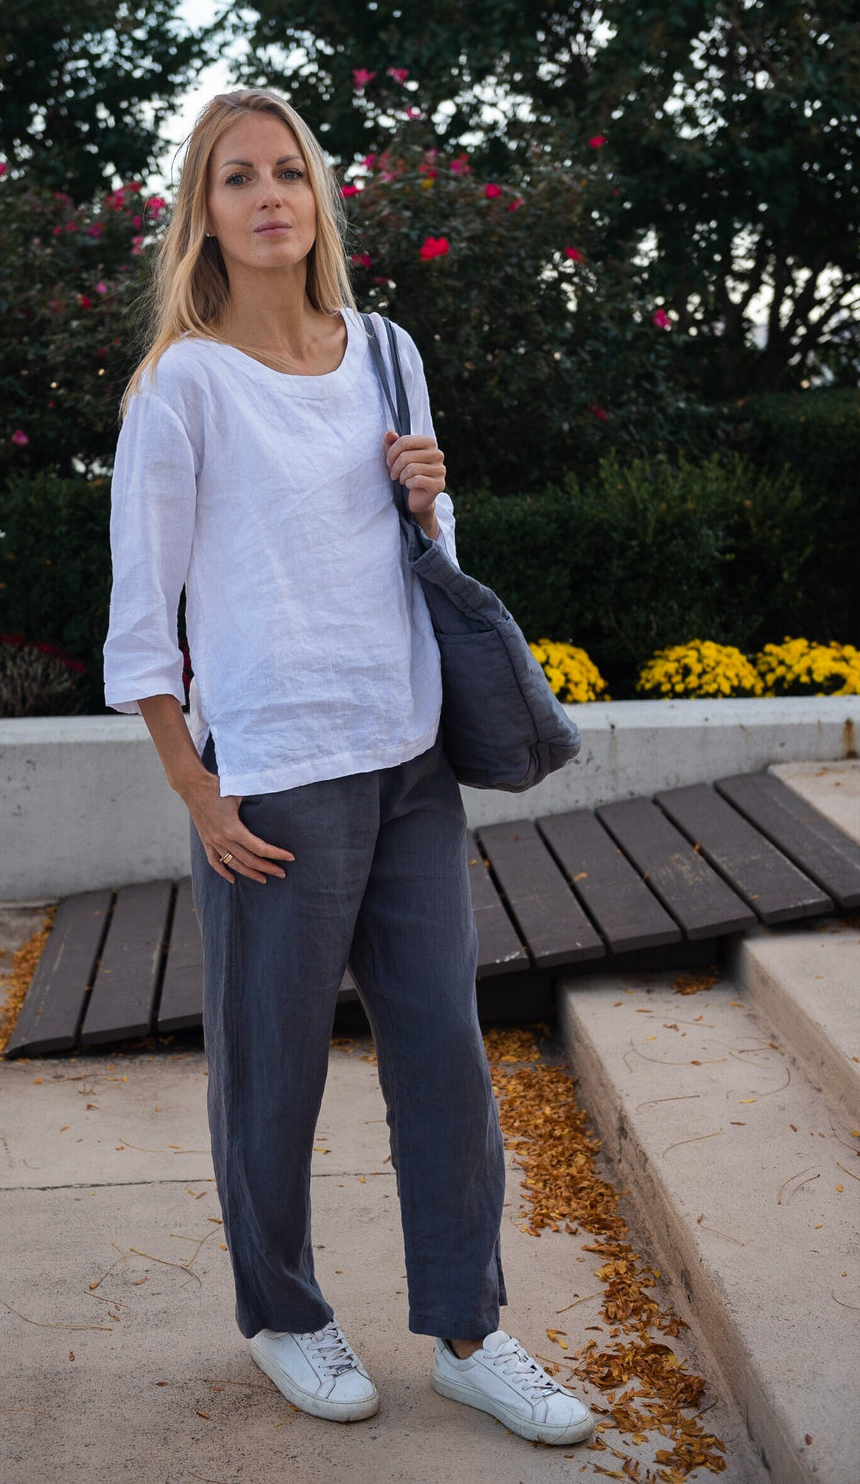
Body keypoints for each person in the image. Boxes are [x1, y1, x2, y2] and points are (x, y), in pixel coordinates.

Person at [102, 86, 594, 1449]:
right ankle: (280, 1308)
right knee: (274, 1067)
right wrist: (200, 793)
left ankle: (472, 1331)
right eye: (238, 177)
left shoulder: (385, 348)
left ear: (319, 198)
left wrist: (432, 498)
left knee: (444, 1048)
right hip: (274, 774)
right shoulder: (183, 383)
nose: (270, 196)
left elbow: (425, 550)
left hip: (411, 752)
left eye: (291, 173)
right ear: (202, 213)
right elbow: (144, 620)